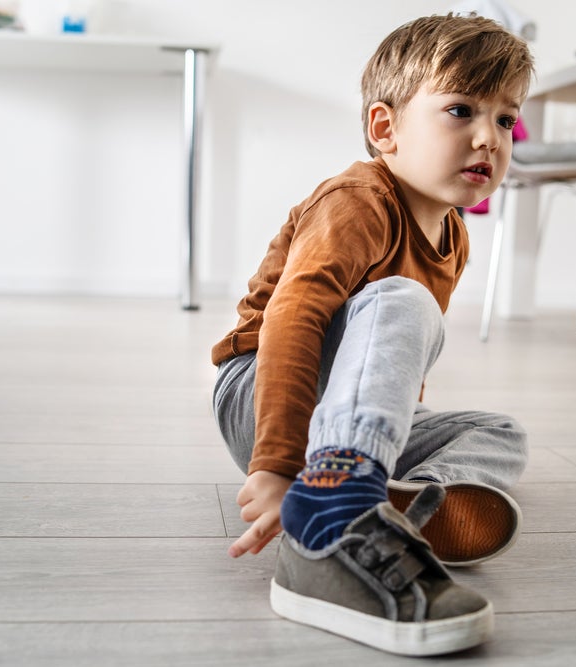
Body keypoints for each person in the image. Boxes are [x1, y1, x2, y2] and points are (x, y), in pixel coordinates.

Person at [211, 13, 533, 656]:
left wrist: (396, 422)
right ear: (385, 128)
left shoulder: (454, 234)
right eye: (461, 110)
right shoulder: (357, 199)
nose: (489, 138)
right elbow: (292, 321)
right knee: (403, 300)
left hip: (342, 420)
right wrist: (275, 466)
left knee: (500, 434)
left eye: (505, 119)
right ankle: (333, 500)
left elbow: (393, 360)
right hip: (264, 392)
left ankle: (388, 507)